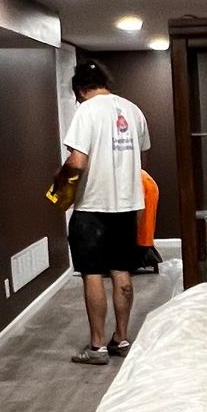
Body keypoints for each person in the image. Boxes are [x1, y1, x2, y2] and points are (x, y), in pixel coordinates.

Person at [52, 59, 150, 362]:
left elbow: (76, 162)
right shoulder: (132, 110)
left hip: (92, 207)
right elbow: (140, 153)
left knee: (92, 273)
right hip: (126, 205)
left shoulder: (86, 111)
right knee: (122, 270)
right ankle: (121, 340)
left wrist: (59, 191)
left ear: (80, 90)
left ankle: (96, 347)